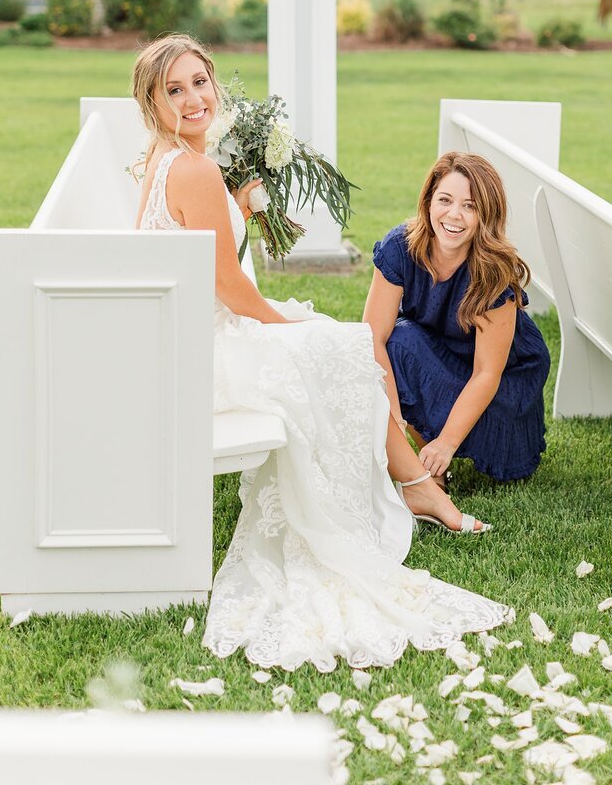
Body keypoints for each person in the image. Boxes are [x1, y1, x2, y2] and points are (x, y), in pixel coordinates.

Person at [132, 34, 510, 671]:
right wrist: (282, 320)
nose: (195, 98)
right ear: (152, 102)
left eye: (201, 81)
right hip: (200, 350)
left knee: (344, 346)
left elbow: (204, 257)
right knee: (344, 347)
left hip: (180, 335)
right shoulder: (193, 167)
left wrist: (243, 208)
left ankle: (414, 482)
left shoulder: (169, 158)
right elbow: (226, 284)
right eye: (175, 90)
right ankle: (416, 485)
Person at [364, 152, 549, 491]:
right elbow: (373, 339)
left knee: (406, 346)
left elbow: (486, 373)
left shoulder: (494, 271)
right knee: (396, 342)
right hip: (439, 353)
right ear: (429, 201)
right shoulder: (400, 248)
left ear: (486, 215)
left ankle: (441, 452)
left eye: (470, 206)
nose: (454, 215)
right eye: (445, 200)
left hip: (501, 382)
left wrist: (447, 441)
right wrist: (394, 422)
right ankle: (428, 468)